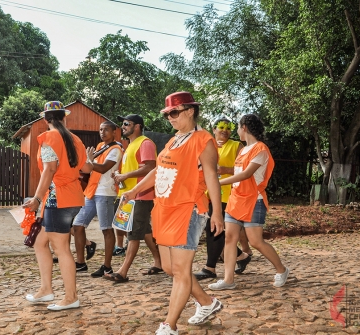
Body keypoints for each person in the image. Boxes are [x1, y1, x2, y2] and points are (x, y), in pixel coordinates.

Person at [120, 92, 224, 335]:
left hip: (188, 208)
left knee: (179, 271)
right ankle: (208, 303)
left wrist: (217, 212)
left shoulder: (203, 140)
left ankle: (169, 325)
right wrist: (134, 190)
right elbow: (159, 171)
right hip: (164, 209)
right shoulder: (174, 140)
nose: (170, 118)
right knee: (170, 268)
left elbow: (211, 177)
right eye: (167, 114)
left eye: (174, 113)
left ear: (190, 111)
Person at [23, 101, 93, 311]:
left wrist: (36, 198)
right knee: (39, 242)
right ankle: (46, 290)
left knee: (61, 249)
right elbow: (87, 167)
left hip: (57, 199)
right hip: (71, 197)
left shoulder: (49, 138)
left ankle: (71, 297)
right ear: (65, 117)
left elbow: (49, 170)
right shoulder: (75, 139)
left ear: (46, 120)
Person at [209, 114, 290, 291]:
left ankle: (281, 270)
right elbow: (237, 174)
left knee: (255, 242)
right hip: (236, 199)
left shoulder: (260, 149)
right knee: (229, 238)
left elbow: (246, 174)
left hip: (254, 200)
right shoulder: (243, 150)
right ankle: (228, 279)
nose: (235, 131)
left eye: (237, 127)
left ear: (244, 127)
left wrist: (218, 182)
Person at [103, 114, 162, 282]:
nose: (123, 127)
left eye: (126, 124)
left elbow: (150, 167)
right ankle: (159, 262)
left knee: (133, 233)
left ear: (137, 126)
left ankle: (123, 271)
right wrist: (121, 175)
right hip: (130, 196)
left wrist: (125, 175)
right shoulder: (130, 146)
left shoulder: (145, 143)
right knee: (144, 230)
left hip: (142, 195)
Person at [194, 118, 252, 280]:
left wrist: (225, 169)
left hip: (229, 193)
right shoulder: (208, 145)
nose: (224, 130)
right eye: (221, 127)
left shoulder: (236, 146)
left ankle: (210, 268)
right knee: (215, 230)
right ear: (214, 129)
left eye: (228, 128)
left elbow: (246, 170)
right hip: (208, 194)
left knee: (214, 229)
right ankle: (241, 256)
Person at [73, 121, 122, 277]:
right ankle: (81, 263)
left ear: (114, 132)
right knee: (77, 225)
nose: (102, 132)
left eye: (106, 129)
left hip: (106, 192)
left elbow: (102, 168)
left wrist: (89, 161)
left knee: (106, 229)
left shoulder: (116, 149)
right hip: (92, 191)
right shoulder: (101, 146)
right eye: (100, 129)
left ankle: (107, 266)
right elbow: (90, 167)